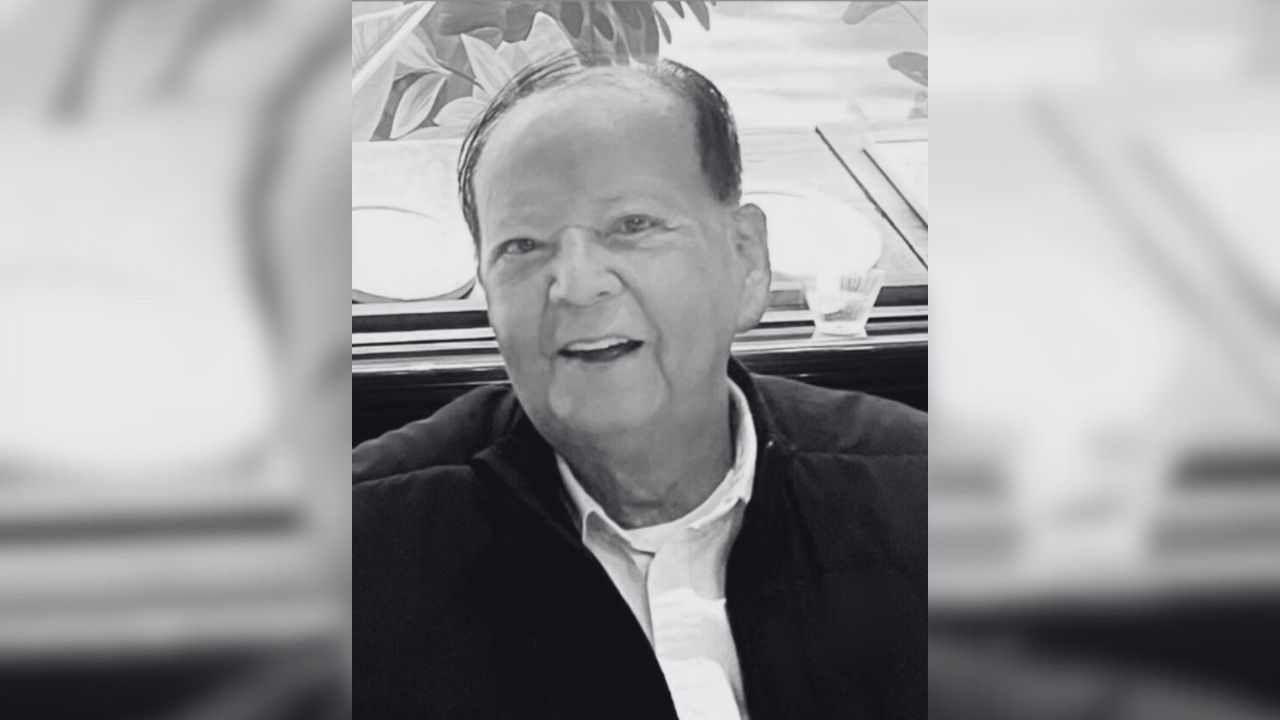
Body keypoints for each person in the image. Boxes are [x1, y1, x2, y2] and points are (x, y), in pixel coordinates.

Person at [353, 52, 926, 720]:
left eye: (632, 226)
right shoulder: (361, 552)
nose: (576, 284)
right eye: (523, 246)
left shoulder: (921, 498)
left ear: (746, 260)